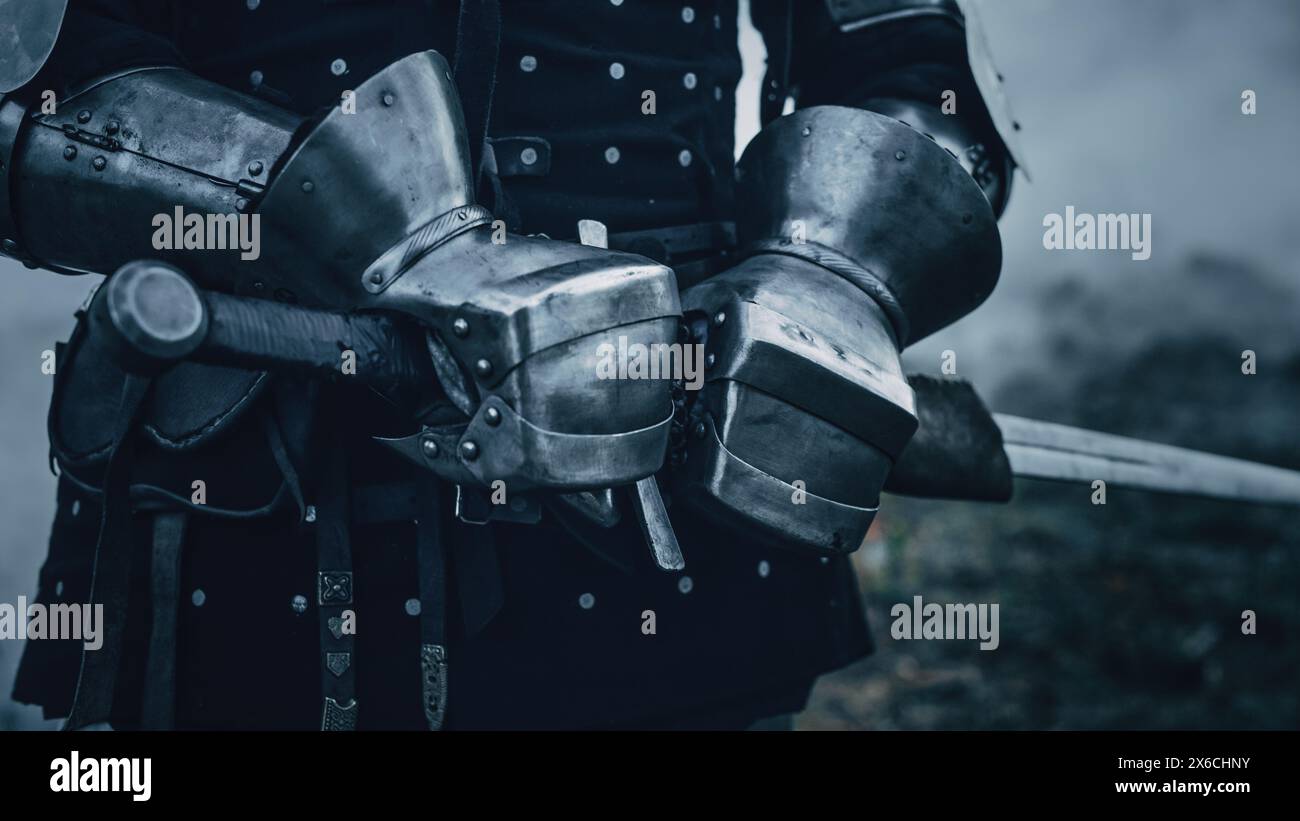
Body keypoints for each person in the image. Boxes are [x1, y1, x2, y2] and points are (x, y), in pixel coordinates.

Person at [3, 0, 1018, 730]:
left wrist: (830, 270)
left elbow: (916, 63)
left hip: (680, 498)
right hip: (261, 499)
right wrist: (392, 242)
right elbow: (32, 87)